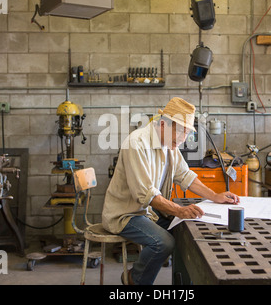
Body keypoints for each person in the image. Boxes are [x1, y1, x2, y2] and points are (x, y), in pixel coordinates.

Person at [102, 97, 240, 285]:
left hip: (148, 212)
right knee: (163, 242)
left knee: (186, 231)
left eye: (186, 133)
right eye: (180, 133)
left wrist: (215, 196)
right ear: (163, 124)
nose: (182, 141)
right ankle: (135, 280)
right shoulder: (136, 143)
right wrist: (179, 210)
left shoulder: (169, 144)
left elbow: (185, 175)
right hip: (126, 214)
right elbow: (146, 194)